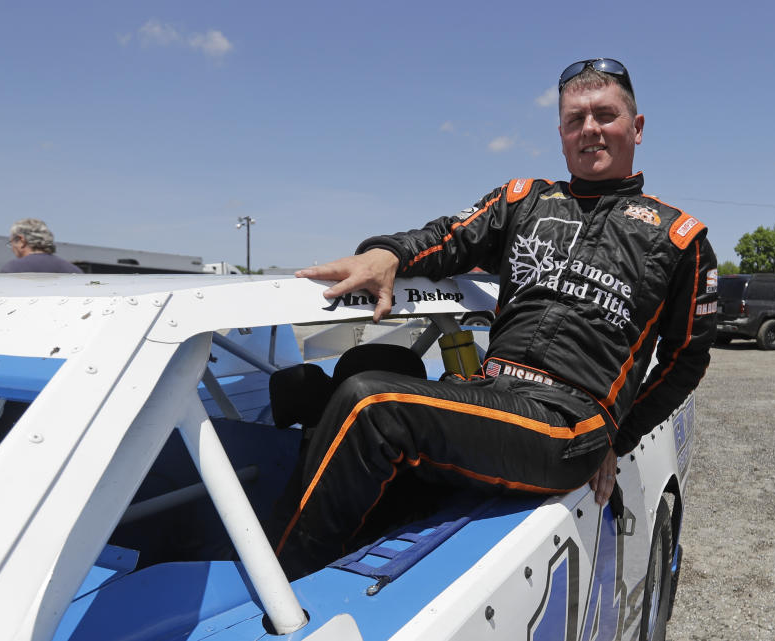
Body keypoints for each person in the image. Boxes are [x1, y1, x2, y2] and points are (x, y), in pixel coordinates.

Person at [273, 59, 718, 574]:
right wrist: (387, 253)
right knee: (355, 369)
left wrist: (618, 437)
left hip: (568, 422)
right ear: (560, 133)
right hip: (494, 393)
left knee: (373, 403)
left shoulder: (679, 236)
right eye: (575, 119)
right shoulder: (523, 200)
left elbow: (687, 360)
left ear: (636, 129)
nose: (589, 130)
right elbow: (447, 237)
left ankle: (285, 586)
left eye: (605, 115)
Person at [0, 218, 83, 274]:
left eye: (11, 242)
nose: (12, 248)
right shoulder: (74, 271)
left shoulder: (13, 269)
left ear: (21, 241)